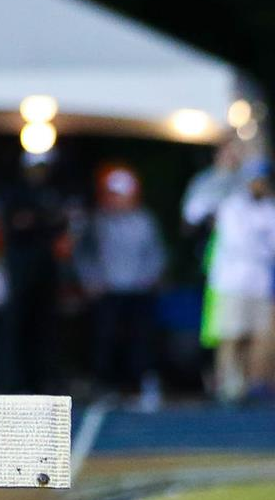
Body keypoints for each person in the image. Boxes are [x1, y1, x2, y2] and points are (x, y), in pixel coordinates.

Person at [183, 156, 275, 401]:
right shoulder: (229, 203)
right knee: (231, 335)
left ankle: (247, 384)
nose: (259, 185)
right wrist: (222, 176)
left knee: (254, 336)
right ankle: (227, 384)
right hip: (231, 281)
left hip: (259, 283)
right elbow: (193, 212)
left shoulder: (269, 209)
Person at [75, 163, 166, 404]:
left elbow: (155, 253)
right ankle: (105, 386)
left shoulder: (144, 220)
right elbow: (85, 254)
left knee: (139, 340)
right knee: (105, 340)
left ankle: (140, 384)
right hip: (107, 290)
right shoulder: (97, 221)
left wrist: (149, 277)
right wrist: (91, 281)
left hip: (138, 290)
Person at [0, 151, 72, 395]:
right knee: (15, 323)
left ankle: (43, 379)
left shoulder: (51, 193)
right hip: (20, 266)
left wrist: (38, 221)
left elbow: (58, 224)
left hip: (44, 267)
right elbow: (15, 224)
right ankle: (11, 381)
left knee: (44, 324)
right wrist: (38, 221)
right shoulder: (15, 193)